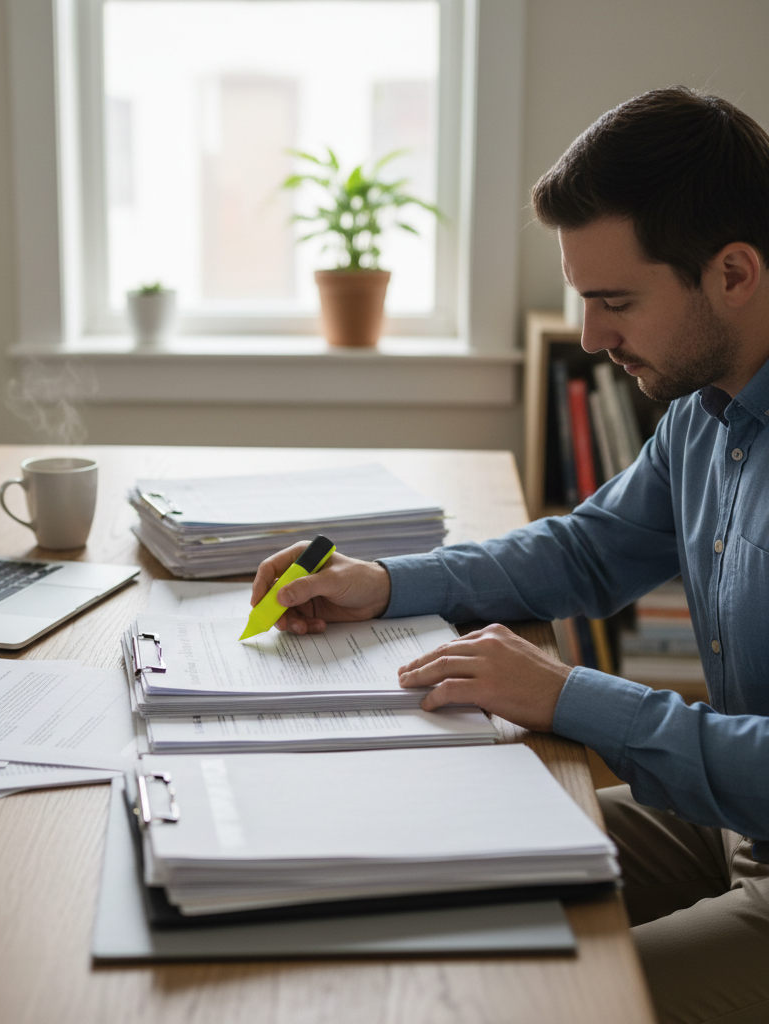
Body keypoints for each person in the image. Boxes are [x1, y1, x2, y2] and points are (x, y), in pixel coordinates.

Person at [251, 87, 769, 1024]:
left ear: (734, 273)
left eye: (616, 301)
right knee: (434, 878)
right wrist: (385, 582)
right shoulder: (707, 414)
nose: (591, 337)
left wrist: (571, 696)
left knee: (522, 1001)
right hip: (735, 815)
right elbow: (585, 551)